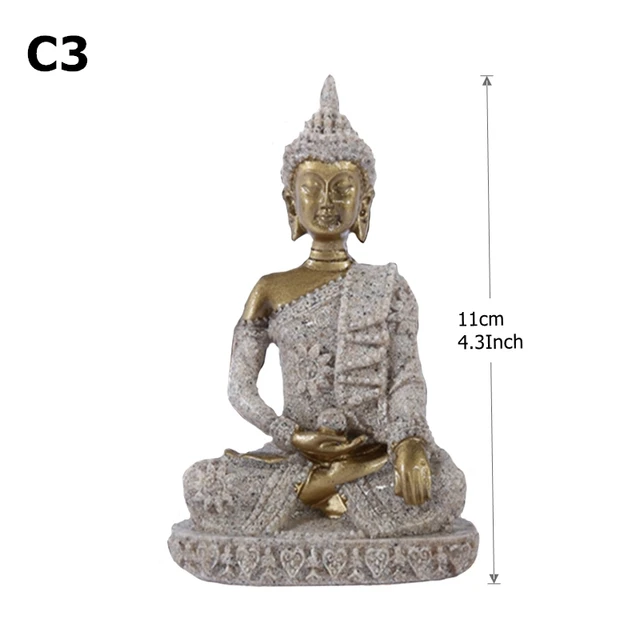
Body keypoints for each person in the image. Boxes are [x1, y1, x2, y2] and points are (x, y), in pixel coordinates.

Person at [182, 76, 466, 539]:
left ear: (364, 202)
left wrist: (410, 442)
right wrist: (291, 435)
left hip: (371, 452)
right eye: (313, 187)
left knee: (447, 484)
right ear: (291, 201)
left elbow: (406, 377)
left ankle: (317, 495)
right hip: (293, 454)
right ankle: (329, 493)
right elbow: (239, 388)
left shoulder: (389, 288)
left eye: (343, 188)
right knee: (203, 483)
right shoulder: (269, 290)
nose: (328, 202)